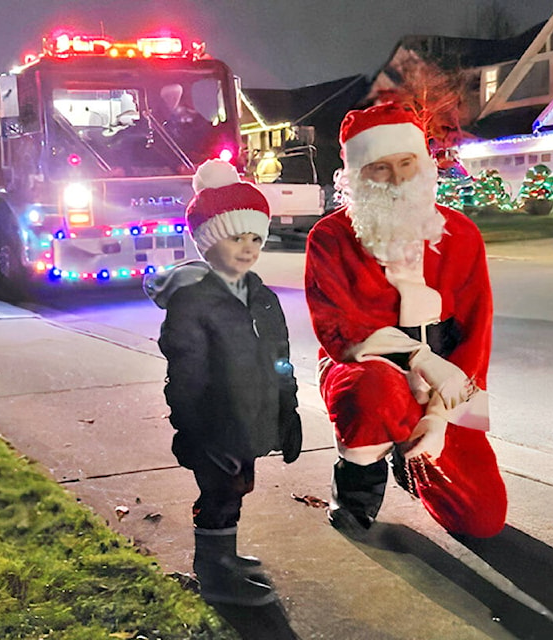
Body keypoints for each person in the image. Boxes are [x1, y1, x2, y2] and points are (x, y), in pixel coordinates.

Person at [304, 102, 508, 539]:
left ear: (423, 163)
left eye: (406, 163)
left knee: (483, 519)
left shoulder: (462, 235)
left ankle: (412, 454)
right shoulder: (330, 238)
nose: (397, 180)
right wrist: (418, 357)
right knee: (372, 392)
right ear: (357, 175)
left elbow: (476, 334)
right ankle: (357, 489)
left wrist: (437, 416)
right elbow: (341, 330)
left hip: (449, 379)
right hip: (365, 368)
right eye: (379, 168)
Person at [144, 159, 303, 606]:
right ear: (208, 242)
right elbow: (185, 377)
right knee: (219, 493)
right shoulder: (194, 302)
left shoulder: (262, 295)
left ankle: (225, 556)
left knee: (238, 490)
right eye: (236, 237)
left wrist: (286, 410)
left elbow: (280, 359)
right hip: (215, 424)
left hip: (250, 418)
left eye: (256, 237)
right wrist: (195, 432)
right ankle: (214, 574)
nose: (248, 247)